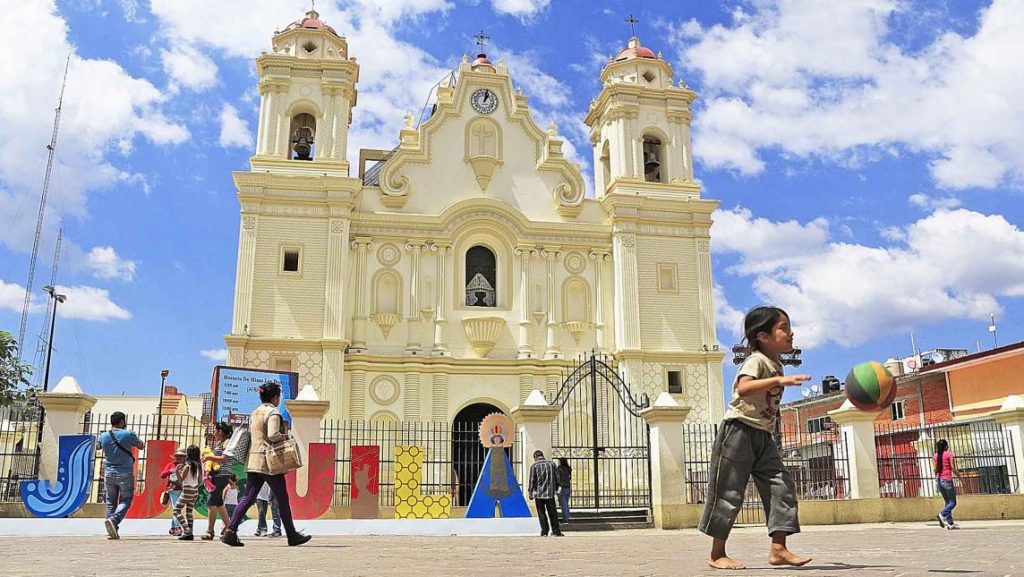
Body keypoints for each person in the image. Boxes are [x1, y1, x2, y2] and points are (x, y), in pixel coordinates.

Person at [699, 306, 811, 570]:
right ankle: (717, 554)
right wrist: (782, 382)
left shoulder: (776, 364)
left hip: (763, 435)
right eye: (783, 328)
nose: (790, 333)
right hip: (738, 432)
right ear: (763, 335)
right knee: (729, 492)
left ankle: (779, 548)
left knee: (781, 485)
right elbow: (744, 387)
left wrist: (781, 379)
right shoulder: (756, 360)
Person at [221, 382, 311, 547]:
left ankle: (230, 531)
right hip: (269, 462)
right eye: (279, 396)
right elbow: (273, 435)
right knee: (282, 499)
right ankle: (292, 534)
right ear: (275, 397)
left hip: (253, 461)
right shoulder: (273, 412)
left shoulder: (255, 412)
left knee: (248, 498)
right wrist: (284, 437)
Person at [98, 411, 145, 540]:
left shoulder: (104, 436)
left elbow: (97, 446)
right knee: (126, 500)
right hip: (125, 473)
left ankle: (111, 531)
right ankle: (114, 520)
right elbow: (141, 446)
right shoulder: (128, 434)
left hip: (109, 473)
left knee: (110, 502)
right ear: (122, 421)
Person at [202, 422, 235, 540]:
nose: (214, 433)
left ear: (220, 432)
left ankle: (210, 531)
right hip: (218, 475)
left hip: (221, 475)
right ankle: (229, 528)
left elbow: (225, 459)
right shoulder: (221, 443)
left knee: (211, 503)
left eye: (215, 431)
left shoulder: (227, 443)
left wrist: (210, 457)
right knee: (219, 503)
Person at [528, 450, 563, 537]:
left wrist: (530, 492)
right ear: (542, 455)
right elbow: (557, 478)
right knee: (553, 513)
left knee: (541, 513)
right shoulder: (552, 464)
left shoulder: (534, 466)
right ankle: (556, 531)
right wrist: (558, 488)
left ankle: (544, 532)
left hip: (539, 494)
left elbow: (532, 480)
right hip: (550, 493)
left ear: (535, 457)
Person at [171, 445, 202, 541]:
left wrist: (177, 471)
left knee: (176, 510)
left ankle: (186, 530)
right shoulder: (198, 466)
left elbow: (180, 479)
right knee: (189, 512)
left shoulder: (187, 466)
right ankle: (190, 533)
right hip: (195, 490)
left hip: (187, 490)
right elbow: (200, 480)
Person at [934, 439, 960, 529]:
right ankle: (942, 514)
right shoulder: (949, 454)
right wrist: (961, 479)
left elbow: (935, 469)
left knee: (947, 502)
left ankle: (950, 524)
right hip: (947, 479)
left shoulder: (935, 456)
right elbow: (953, 468)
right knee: (953, 502)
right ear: (946, 446)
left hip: (938, 479)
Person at [160, 448, 186, 536]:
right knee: (176, 509)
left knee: (177, 509)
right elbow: (162, 475)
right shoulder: (171, 465)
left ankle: (173, 528)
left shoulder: (187, 466)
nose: (179, 458)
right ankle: (178, 527)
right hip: (173, 490)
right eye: (178, 456)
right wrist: (170, 471)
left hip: (184, 490)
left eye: (182, 456)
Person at [556, 457, 572, 524]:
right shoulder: (568, 469)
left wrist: (557, 488)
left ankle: (565, 519)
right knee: (566, 504)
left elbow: (558, 478)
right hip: (568, 488)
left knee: (563, 504)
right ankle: (566, 517)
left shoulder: (559, 469)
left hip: (562, 488)